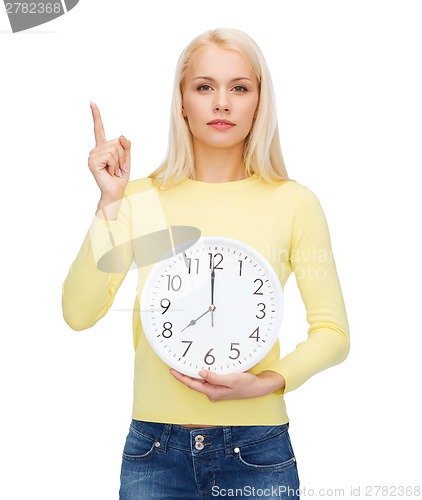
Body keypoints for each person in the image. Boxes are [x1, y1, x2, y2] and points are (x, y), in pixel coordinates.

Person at [62, 27, 350, 499]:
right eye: (204, 87)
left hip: (256, 451)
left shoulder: (294, 203)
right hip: (154, 451)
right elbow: (78, 313)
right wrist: (109, 204)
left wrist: (263, 384)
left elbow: (334, 333)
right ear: (182, 102)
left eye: (239, 88)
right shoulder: (140, 199)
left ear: (259, 101)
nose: (221, 103)